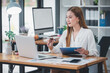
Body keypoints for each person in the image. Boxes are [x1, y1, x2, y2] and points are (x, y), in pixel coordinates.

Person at [47, 6, 99, 73]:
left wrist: (86, 52)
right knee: (53, 69)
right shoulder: (65, 33)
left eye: (70, 17)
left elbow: (95, 53)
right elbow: (58, 49)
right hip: (66, 63)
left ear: (78, 19)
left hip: (80, 67)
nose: (67, 20)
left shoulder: (87, 32)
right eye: (66, 17)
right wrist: (51, 47)